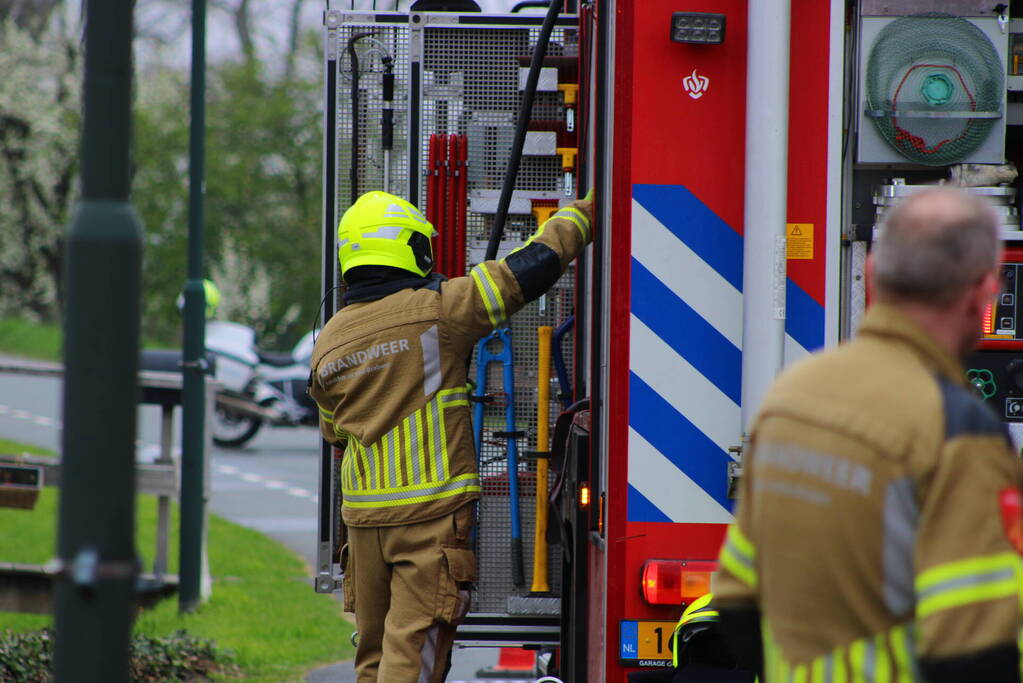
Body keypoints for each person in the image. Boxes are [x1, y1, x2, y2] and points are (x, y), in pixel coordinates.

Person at [713, 186, 1023, 681]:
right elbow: (975, 653)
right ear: (983, 294)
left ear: (873, 277)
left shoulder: (790, 400)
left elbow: (735, 601)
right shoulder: (958, 431)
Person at [309, 190, 592, 683]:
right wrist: (584, 216)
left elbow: (335, 432)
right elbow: (524, 273)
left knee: (373, 659)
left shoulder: (328, 341)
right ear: (412, 250)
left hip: (362, 527)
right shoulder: (439, 312)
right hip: (428, 521)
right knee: (411, 654)